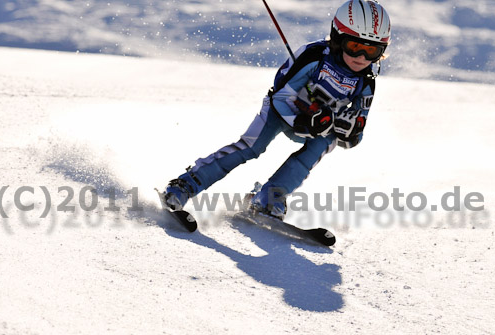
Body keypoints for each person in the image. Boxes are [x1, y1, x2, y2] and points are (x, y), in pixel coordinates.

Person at [163, 0, 391, 220]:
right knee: (251, 147)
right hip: (281, 111)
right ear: (338, 38)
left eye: (372, 51)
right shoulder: (314, 57)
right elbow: (281, 95)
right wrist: (302, 119)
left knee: (320, 145)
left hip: (317, 126)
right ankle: (186, 184)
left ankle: (270, 198)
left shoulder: (367, 80)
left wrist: (349, 131)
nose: (361, 58)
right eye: (354, 47)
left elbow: (356, 132)